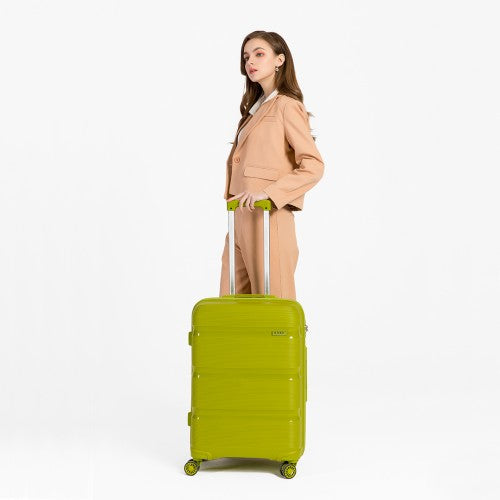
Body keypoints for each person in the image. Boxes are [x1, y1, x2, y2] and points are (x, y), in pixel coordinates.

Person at [219, 31, 325, 301]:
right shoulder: (252, 111)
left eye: (259, 54)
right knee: (232, 308)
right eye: (246, 57)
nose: (250, 62)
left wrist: (269, 193)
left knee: (273, 306)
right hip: (239, 219)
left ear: (280, 59)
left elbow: (313, 165)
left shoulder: (287, 106)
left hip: (269, 217)